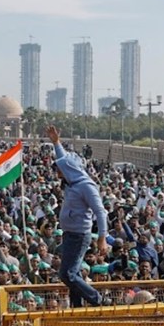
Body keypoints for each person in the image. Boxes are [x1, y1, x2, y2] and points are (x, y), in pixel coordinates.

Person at [46, 124, 109, 307]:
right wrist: (56, 142)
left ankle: (98, 300)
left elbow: (100, 212)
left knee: (67, 274)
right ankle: (77, 305)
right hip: (69, 234)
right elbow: (64, 159)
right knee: (74, 272)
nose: (58, 173)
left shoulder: (86, 186)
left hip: (79, 235)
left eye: (60, 170)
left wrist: (102, 238)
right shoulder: (72, 181)